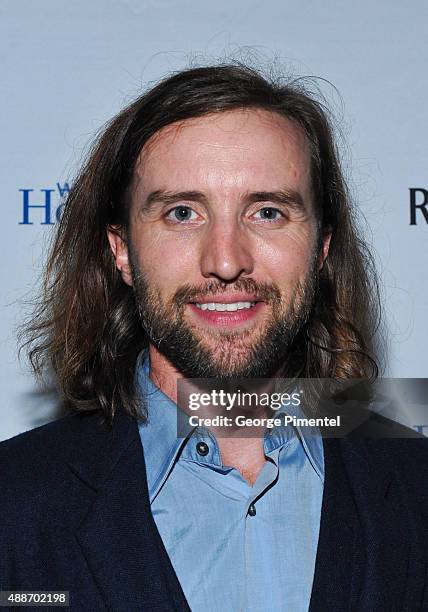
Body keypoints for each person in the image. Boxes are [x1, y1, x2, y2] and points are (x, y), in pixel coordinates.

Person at [1, 64, 427, 612]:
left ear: (321, 249)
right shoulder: (13, 505)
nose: (226, 260)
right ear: (121, 250)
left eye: (268, 212)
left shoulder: (417, 489)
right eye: (183, 213)